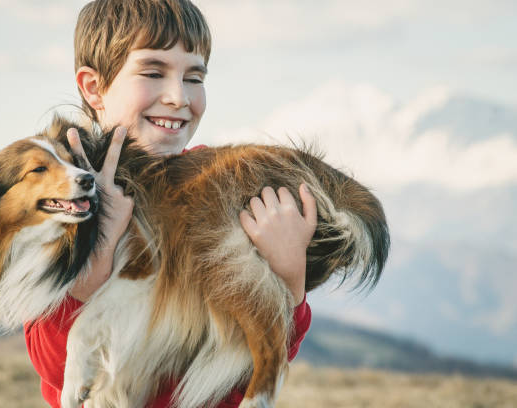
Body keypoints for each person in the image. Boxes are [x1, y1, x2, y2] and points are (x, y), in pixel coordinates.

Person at [25, 1, 316, 407]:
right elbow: (56, 369)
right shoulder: (64, 197)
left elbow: (250, 368)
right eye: (153, 72)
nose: (179, 97)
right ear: (94, 87)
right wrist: (96, 257)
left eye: (194, 77)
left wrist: (290, 280)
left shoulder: (221, 190)